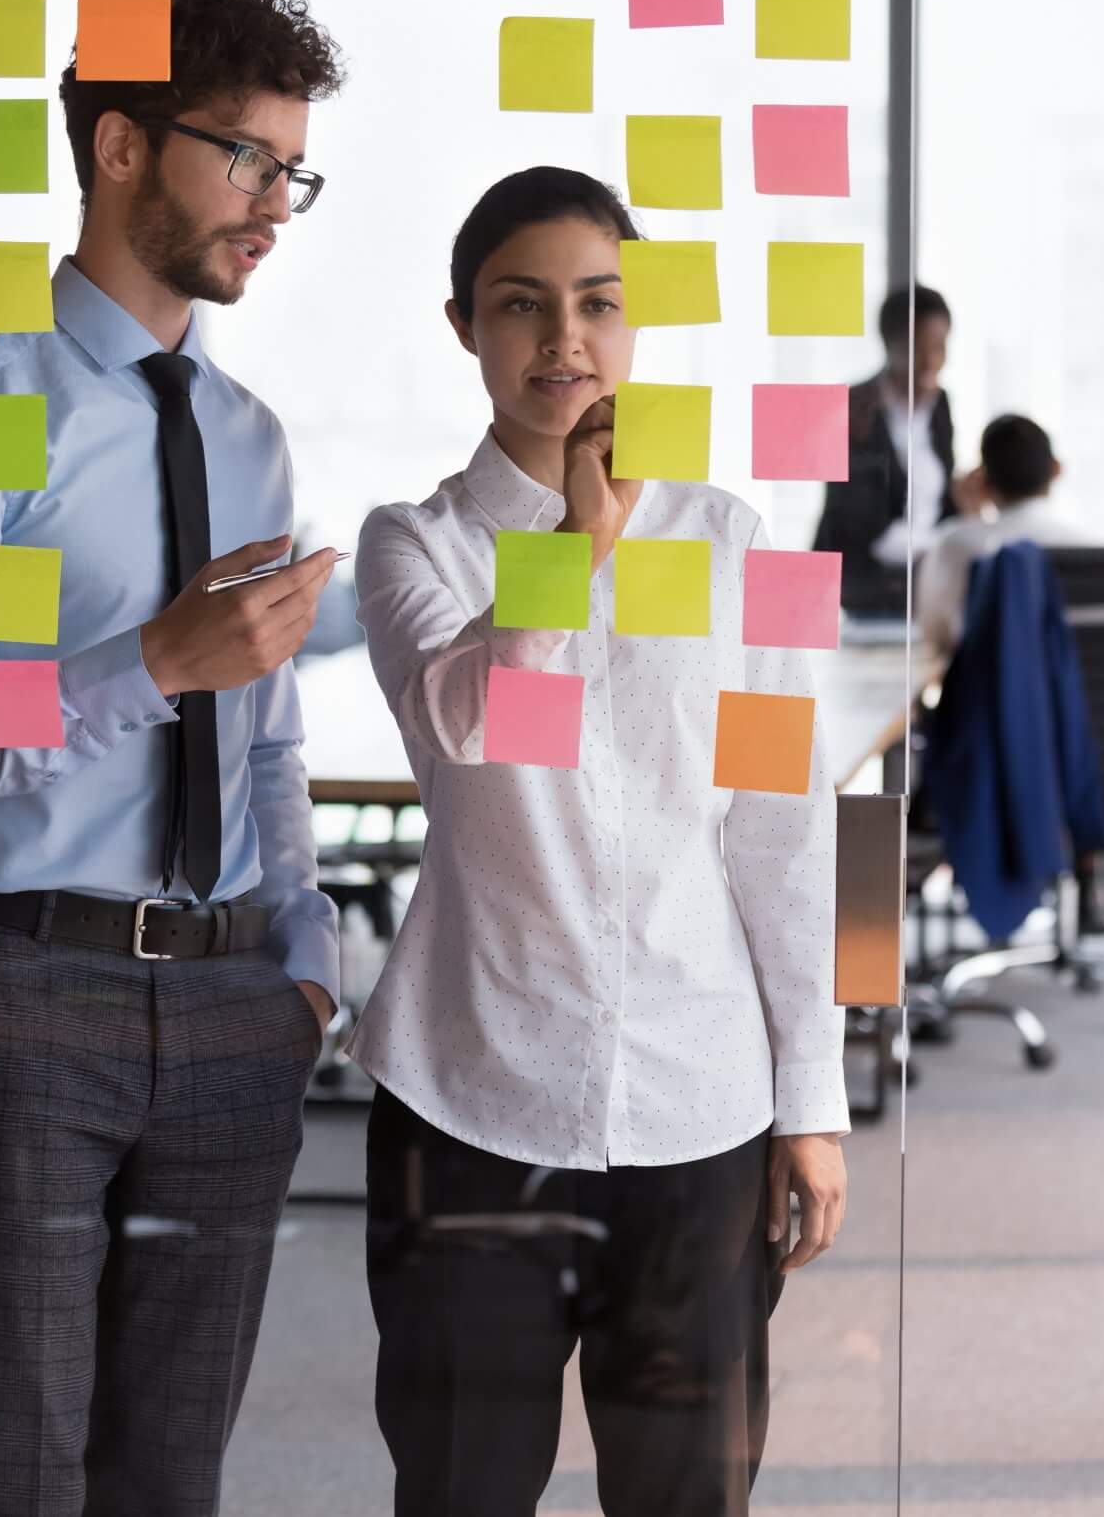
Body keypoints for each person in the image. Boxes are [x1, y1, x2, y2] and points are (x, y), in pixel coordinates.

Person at [0, 0, 346, 1516]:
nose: (274, 202)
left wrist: (306, 945)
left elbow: (262, 735)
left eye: (293, 171)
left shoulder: (251, 433)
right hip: (12, 994)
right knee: (11, 1468)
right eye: (244, 156)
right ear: (122, 145)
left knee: (169, 1477)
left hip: (233, 994)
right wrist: (141, 663)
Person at [351, 167, 848, 1517]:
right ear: (465, 325)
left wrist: (815, 1095)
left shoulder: (738, 541)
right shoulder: (418, 545)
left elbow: (791, 835)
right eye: (523, 306)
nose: (564, 339)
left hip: (701, 1099)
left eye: (598, 304)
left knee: (690, 1496)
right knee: (460, 1487)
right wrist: (579, 534)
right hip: (473, 1097)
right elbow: (473, 719)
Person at [811, 283, 972, 615]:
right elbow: (856, 517)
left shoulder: (941, 404)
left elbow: (943, 502)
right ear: (889, 344)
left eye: (940, 347)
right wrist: (939, 548)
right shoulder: (854, 406)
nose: (930, 361)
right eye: (917, 349)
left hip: (927, 581)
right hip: (863, 586)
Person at [915, 412, 1083, 661]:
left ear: (982, 480)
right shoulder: (1082, 544)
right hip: (1064, 696)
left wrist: (971, 520)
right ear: (1056, 470)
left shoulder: (956, 542)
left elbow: (936, 636)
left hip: (983, 697)